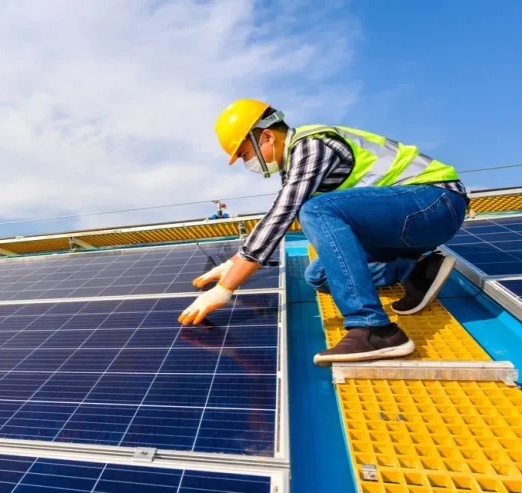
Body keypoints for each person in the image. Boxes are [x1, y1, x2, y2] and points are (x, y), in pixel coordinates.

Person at [177, 99, 468, 366]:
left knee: (315, 210)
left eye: (245, 154)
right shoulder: (294, 165)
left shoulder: (312, 146)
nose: (246, 163)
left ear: (265, 136)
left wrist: (225, 288)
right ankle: (415, 268)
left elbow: (283, 212)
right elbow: (278, 212)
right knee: (319, 275)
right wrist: (231, 264)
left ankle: (373, 328)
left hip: (434, 202)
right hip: (405, 224)